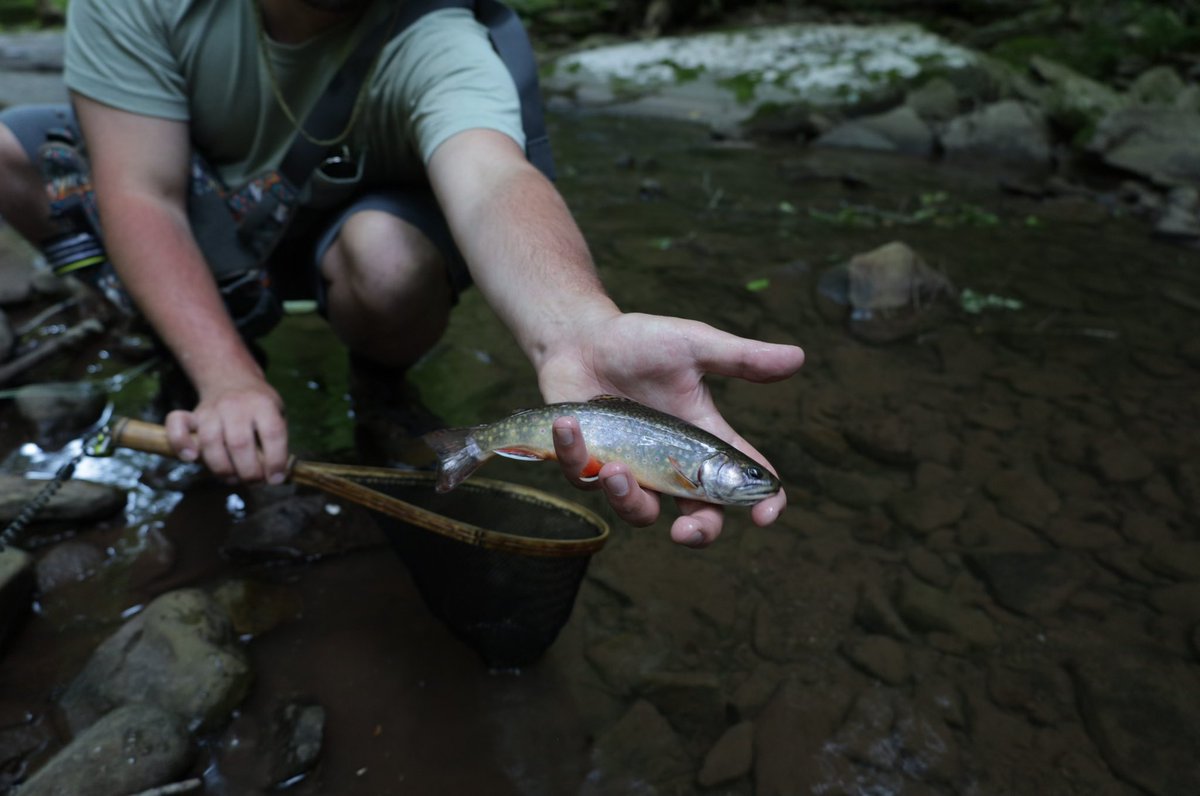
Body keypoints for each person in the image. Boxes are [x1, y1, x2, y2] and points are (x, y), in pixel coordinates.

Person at [0, 0, 804, 548]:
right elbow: (141, 191)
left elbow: (494, 180)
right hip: (193, 197)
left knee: (391, 259)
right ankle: (191, 348)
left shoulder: (439, 31)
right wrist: (226, 376)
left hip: (348, 224)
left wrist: (577, 325)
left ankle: (378, 383)